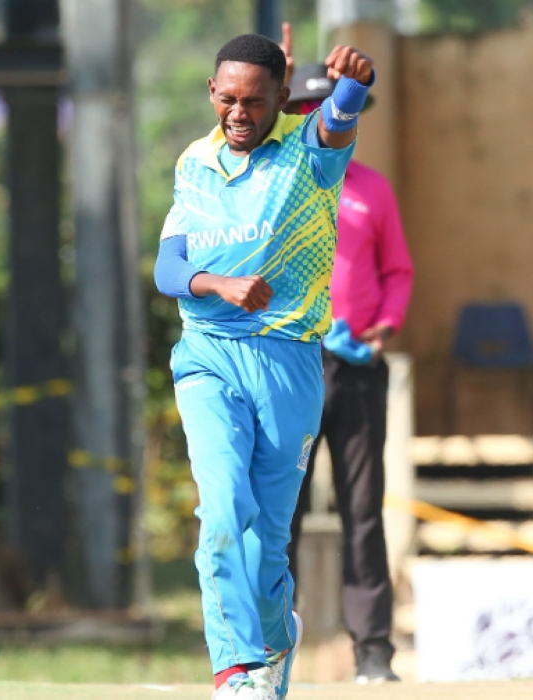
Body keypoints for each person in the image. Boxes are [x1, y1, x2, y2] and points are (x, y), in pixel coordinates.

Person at [152, 32, 377, 700]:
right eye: (227, 99)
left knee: (264, 541)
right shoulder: (194, 162)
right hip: (207, 358)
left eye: (255, 100)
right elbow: (169, 266)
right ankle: (235, 669)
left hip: (288, 364)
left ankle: (274, 646)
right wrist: (215, 284)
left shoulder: (306, 161)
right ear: (211, 95)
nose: (240, 113)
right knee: (221, 512)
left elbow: (335, 123)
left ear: (283, 98)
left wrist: (353, 86)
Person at [281, 61, 415, 685]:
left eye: (334, 109)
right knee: (284, 509)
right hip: (293, 360)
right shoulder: (276, 185)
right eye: (309, 109)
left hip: (357, 366)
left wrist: (384, 328)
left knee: (363, 509)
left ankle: (373, 654)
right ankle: (268, 646)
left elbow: (398, 272)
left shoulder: (371, 188)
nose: (323, 120)